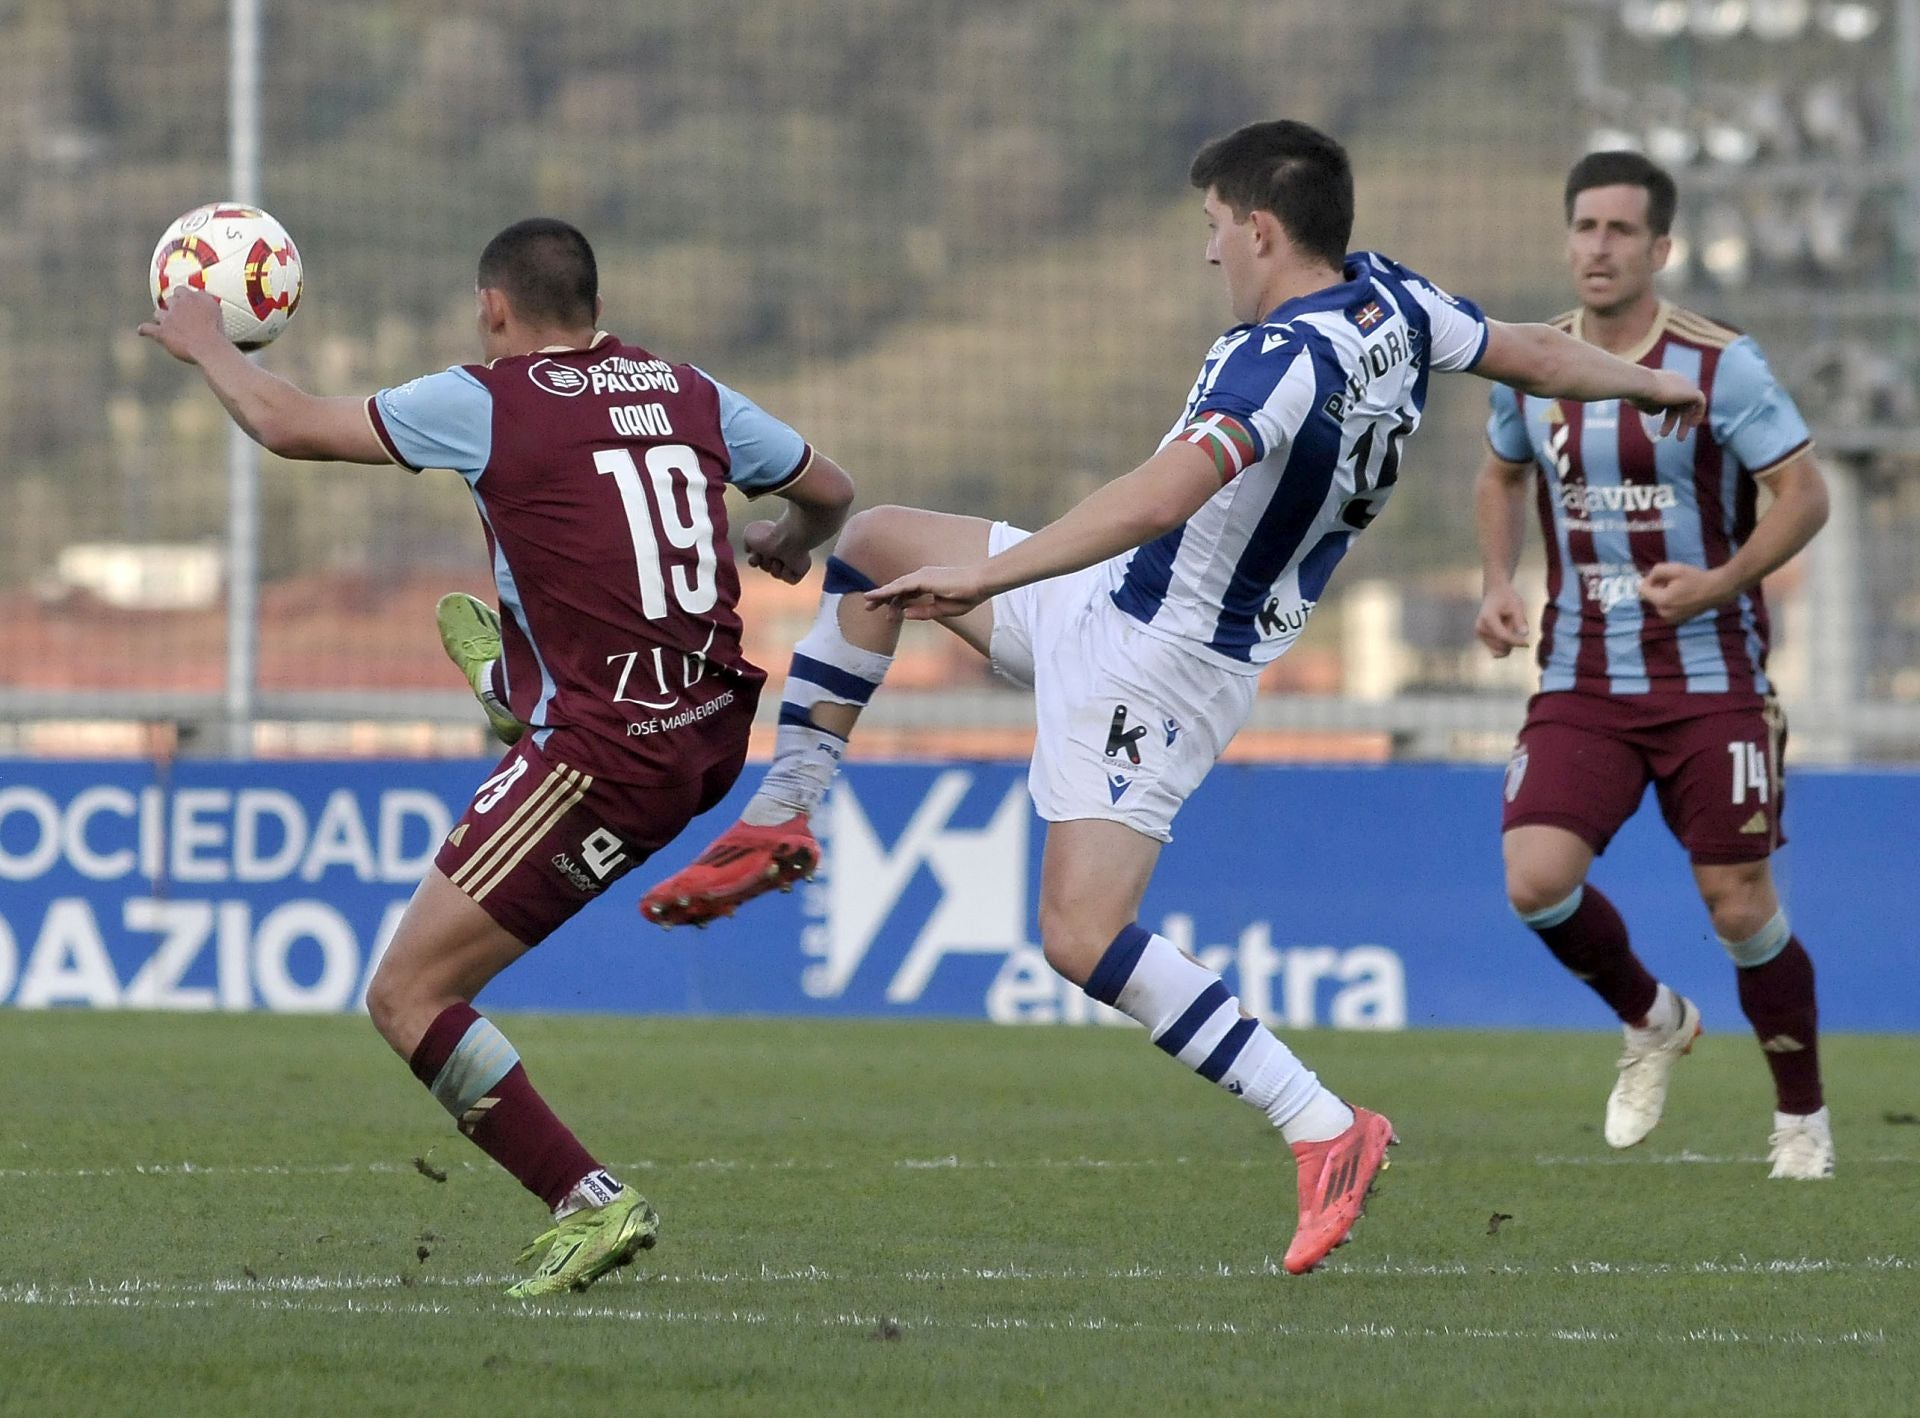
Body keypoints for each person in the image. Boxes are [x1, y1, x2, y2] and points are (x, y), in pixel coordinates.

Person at [640, 121, 1708, 1273]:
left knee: (1078, 931)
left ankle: (1322, 1122)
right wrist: (1648, 381)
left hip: (1159, 659)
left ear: (1258, 228)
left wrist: (992, 572)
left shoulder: (1282, 359)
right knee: (874, 542)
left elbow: (1160, 495)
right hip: (1114, 597)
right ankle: (786, 805)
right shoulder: (1390, 299)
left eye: (1213, 228)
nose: (1210, 255)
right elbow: (1532, 353)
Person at [139, 218, 856, 1293]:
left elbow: (287, 424)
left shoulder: (485, 398)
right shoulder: (687, 388)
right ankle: (519, 685)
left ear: (495, 308)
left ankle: (589, 1202)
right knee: (551, 599)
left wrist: (206, 341)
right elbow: (832, 489)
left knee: (408, 996)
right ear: (592, 300)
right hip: (711, 725)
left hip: (608, 752)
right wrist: (791, 541)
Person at [1472, 151, 1832, 1179]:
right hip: (1582, 679)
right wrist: (1497, 580)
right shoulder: (1535, 362)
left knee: (1739, 902)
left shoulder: (1724, 365)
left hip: (1712, 679)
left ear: (1661, 248)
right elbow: (1498, 472)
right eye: (1585, 226)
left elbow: (1805, 494)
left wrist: (1724, 582)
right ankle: (1652, 1017)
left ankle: (1801, 1117)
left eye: (1622, 230)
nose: (1598, 246)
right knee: (1536, 880)